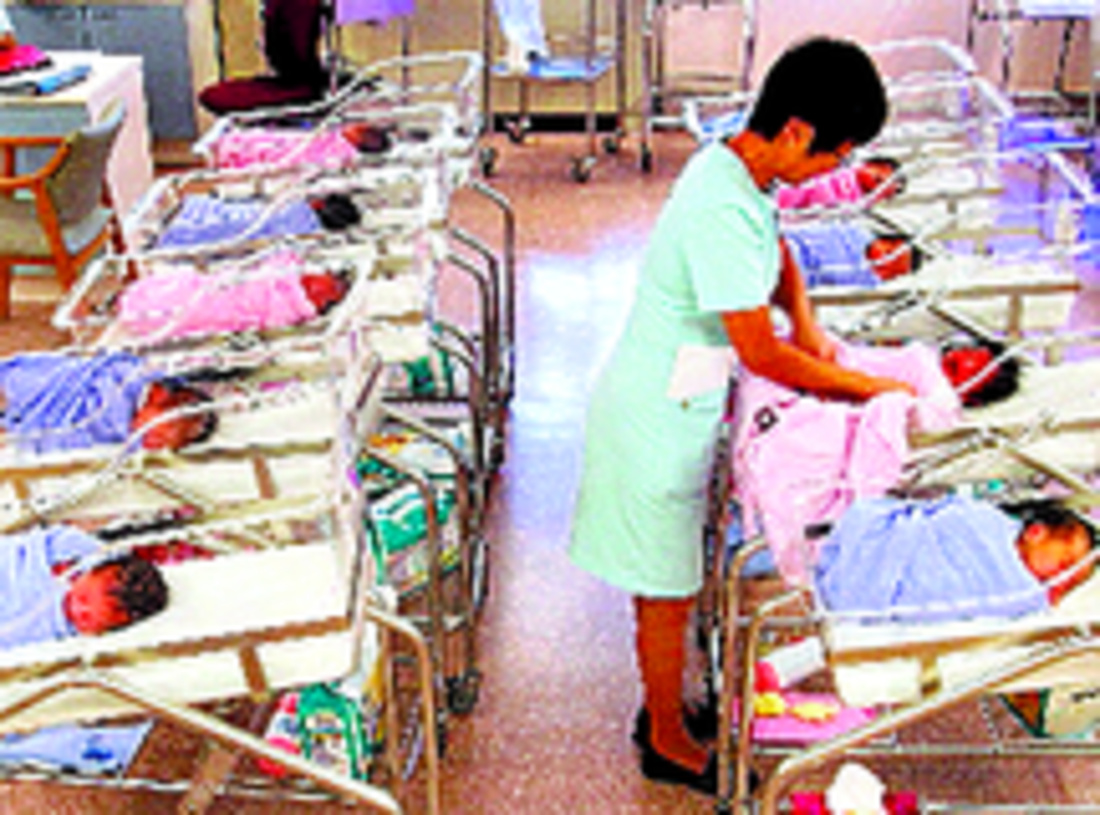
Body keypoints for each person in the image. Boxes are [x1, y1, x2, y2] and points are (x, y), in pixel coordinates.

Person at [569, 36, 915, 794]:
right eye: (834, 155)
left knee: (672, 577)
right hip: (652, 419)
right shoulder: (721, 202)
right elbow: (761, 353)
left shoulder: (743, 172)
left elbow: (777, 251)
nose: (834, 171)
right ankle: (665, 740)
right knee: (664, 590)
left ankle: (666, 707)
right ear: (795, 130)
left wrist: (808, 323)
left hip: (682, 396)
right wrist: (864, 388)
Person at [815, 494, 1095, 622]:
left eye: (1071, 585)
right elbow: (950, 518)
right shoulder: (986, 524)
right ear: (1035, 533)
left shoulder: (1023, 596)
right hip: (904, 548)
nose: (1062, 581)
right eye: (1064, 566)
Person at [0, 526, 168, 648]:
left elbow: (16, 634)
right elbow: (35, 545)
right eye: (83, 598)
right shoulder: (78, 549)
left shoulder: (53, 627)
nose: (77, 609)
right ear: (91, 570)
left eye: (86, 618)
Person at [783, 220, 921, 288]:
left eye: (891, 272)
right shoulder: (852, 234)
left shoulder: (867, 282)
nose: (883, 262)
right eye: (888, 253)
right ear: (884, 240)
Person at [776, 155, 903, 209]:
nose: (875, 187)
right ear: (869, 164)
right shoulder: (845, 164)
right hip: (800, 182)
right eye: (878, 179)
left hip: (804, 204)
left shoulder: (857, 203)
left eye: (881, 191)